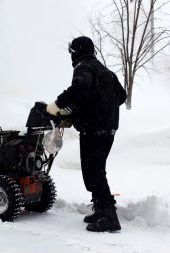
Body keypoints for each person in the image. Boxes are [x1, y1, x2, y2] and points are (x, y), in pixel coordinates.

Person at [46, 36, 126, 232]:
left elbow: (80, 87)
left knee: (94, 172)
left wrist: (57, 105)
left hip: (93, 130)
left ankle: (109, 217)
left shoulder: (84, 67)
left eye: (72, 52)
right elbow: (121, 96)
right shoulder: (102, 68)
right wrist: (96, 107)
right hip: (107, 129)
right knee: (96, 171)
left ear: (76, 52)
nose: (71, 56)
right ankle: (101, 209)